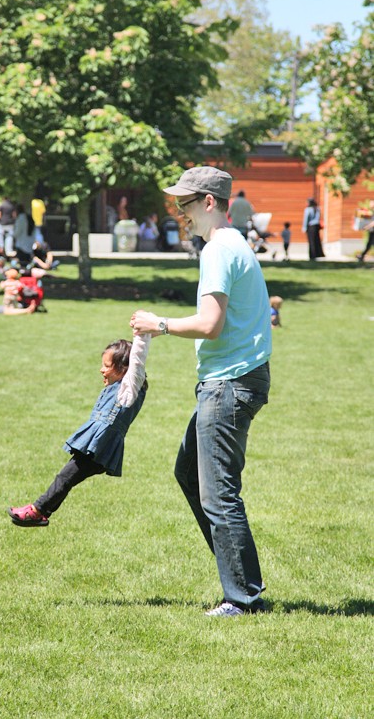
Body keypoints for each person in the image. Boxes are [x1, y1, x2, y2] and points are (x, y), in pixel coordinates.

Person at [130, 166, 272, 618]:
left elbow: (210, 325)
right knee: (189, 473)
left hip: (229, 384)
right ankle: (241, 580)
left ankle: (241, 598)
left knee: (218, 493)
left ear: (209, 203)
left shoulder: (218, 250)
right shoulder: (231, 245)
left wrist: (160, 325)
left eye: (185, 205)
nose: (180, 214)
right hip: (235, 380)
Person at [7, 334, 151, 527]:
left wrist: (142, 333)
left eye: (107, 366)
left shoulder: (130, 388)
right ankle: (40, 511)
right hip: (96, 445)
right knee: (66, 478)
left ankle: (37, 511)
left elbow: (137, 359)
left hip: (102, 448)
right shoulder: (117, 385)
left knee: (65, 478)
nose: (102, 370)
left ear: (124, 369)